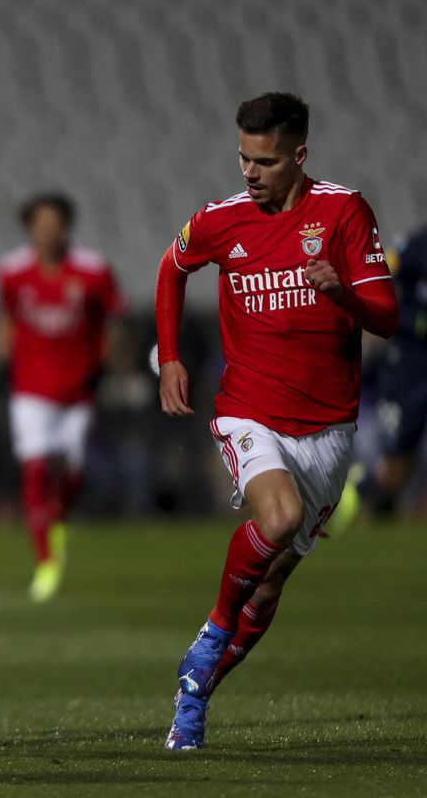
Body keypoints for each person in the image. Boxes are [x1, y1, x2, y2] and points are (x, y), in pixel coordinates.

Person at [155, 93, 396, 750]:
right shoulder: (219, 220)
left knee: (270, 587)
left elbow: (387, 315)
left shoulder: (344, 212)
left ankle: (194, 697)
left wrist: (341, 291)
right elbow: (171, 268)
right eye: (243, 157)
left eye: (264, 160)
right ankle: (210, 637)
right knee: (279, 517)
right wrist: (171, 356)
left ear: (299, 155)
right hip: (249, 409)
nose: (250, 172)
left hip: (329, 425)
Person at [0, 192, 123, 602]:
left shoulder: (93, 270)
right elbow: (5, 320)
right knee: (35, 470)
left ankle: (59, 520)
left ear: (67, 226)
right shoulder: (12, 272)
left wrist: (107, 365)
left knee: (71, 472)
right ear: (29, 228)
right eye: (41, 224)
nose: (49, 232)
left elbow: (113, 322)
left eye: (56, 224)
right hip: (30, 389)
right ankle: (46, 562)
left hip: (78, 389)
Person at [336, 224, 427, 519]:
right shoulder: (417, 243)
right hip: (411, 362)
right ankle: (353, 495)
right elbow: (384, 270)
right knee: (398, 461)